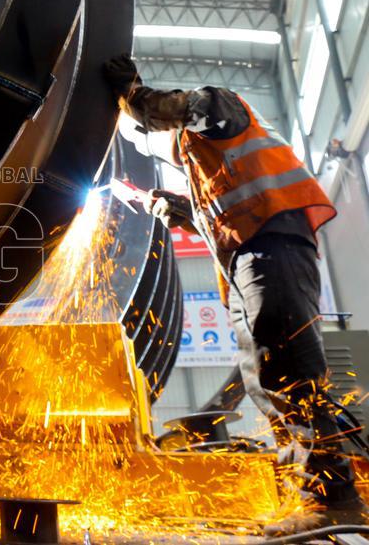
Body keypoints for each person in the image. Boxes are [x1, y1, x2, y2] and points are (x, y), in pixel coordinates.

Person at [103, 54, 367, 535]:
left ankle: (334, 499)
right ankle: (310, 498)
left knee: (290, 375)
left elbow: (167, 109)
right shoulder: (200, 163)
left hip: (273, 249)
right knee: (267, 381)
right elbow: (225, 210)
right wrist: (179, 208)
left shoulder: (218, 106)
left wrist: (130, 93)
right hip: (252, 259)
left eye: (149, 131)